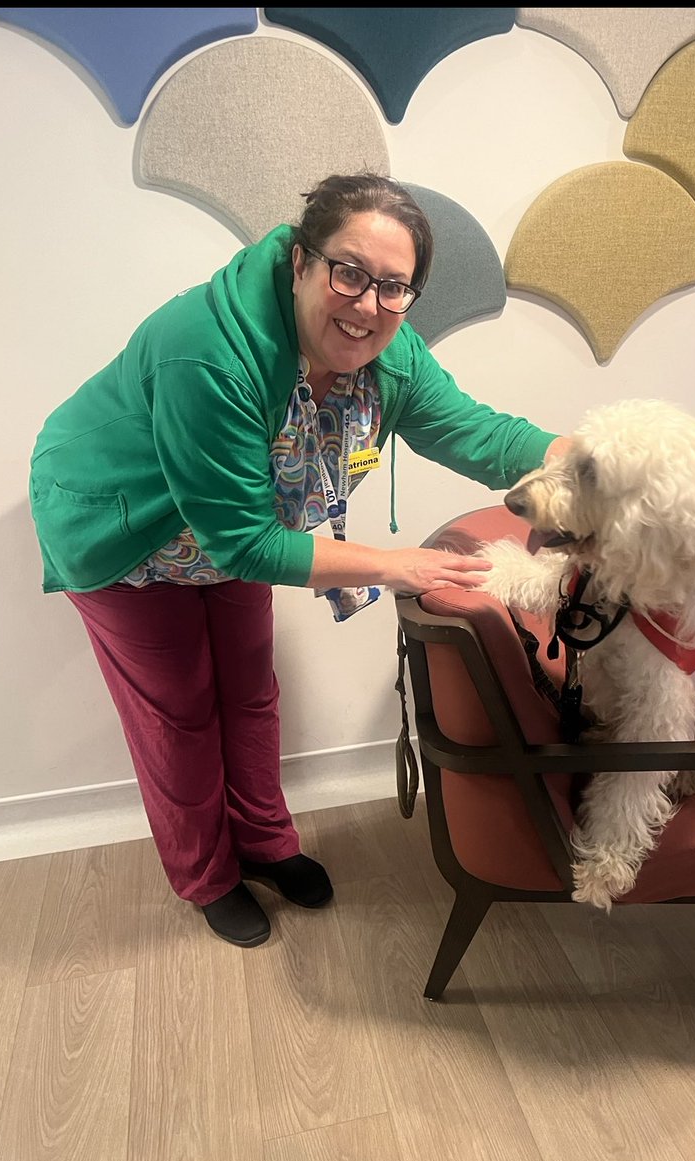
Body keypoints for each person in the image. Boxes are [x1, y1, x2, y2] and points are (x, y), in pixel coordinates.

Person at [29, 173, 570, 948]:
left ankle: (266, 844)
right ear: (299, 259)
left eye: (393, 287)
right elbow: (245, 541)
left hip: (228, 530)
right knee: (179, 711)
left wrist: (577, 458)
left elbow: (474, 433)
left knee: (249, 694)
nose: (367, 304)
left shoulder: (392, 352)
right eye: (347, 271)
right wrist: (396, 565)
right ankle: (207, 876)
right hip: (125, 527)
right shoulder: (206, 352)